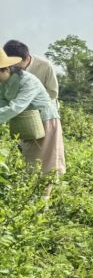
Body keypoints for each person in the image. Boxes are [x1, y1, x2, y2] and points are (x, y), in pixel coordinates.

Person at [0, 49, 66, 183]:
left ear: (6, 69)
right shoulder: (3, 84)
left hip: (45, 121)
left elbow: (17, 106)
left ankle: (44, 200)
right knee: (30, 160)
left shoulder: (27, 80)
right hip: (26, 124)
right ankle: (35, 198)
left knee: (47, 163)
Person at [3, 40, 59, 108]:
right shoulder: (7, 66)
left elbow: (53, 92)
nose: (12, 67)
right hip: (18, 106)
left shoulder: (45, 65)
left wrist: (28, 98)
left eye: (16, 64)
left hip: (45, 108)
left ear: (27, 59)